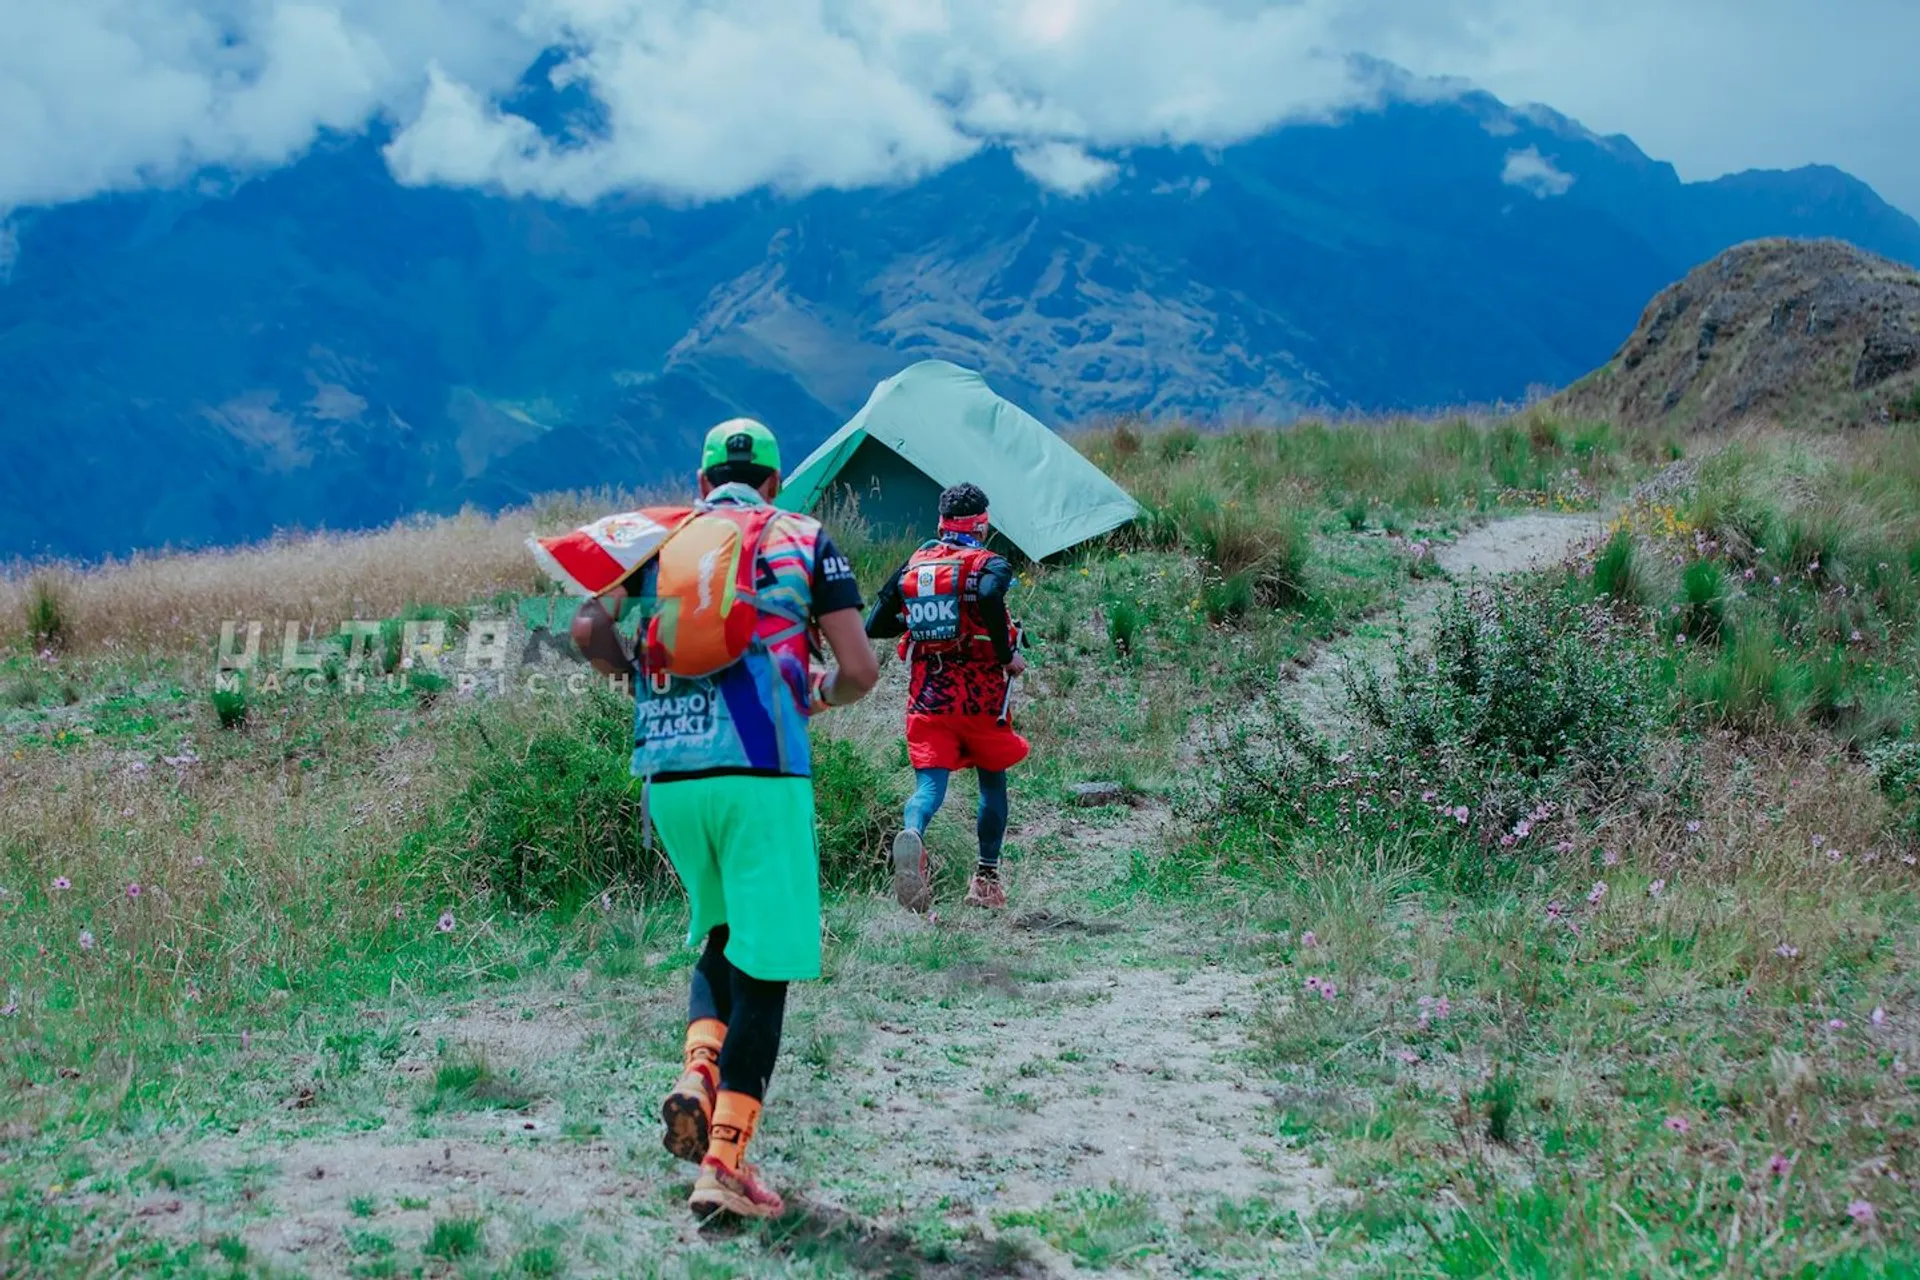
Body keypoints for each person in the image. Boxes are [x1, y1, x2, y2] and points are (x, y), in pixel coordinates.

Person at [570, 418, 877, 1220]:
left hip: (669, 773)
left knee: (717, 934)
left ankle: (696, 1074)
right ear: (775, 483)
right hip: (760, 773)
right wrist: (816, 695)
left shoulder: (661, 540)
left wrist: (623, 666)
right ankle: (726, 1167)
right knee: (766, 968)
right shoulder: (805, 537)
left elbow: (585, 631)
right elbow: (860, 669)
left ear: (703, 482)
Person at [865, 482, 1028, 912]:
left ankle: (913, 836)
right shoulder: (989, 564)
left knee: (928, 788)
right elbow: (991, 597)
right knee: (992, 783)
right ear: (981, 524)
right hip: (982, 701)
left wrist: (916, 619)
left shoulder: (914, 567)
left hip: (928, 699)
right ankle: (986, 881)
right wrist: (1006, 653)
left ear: (941, 521)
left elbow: (873, 625)